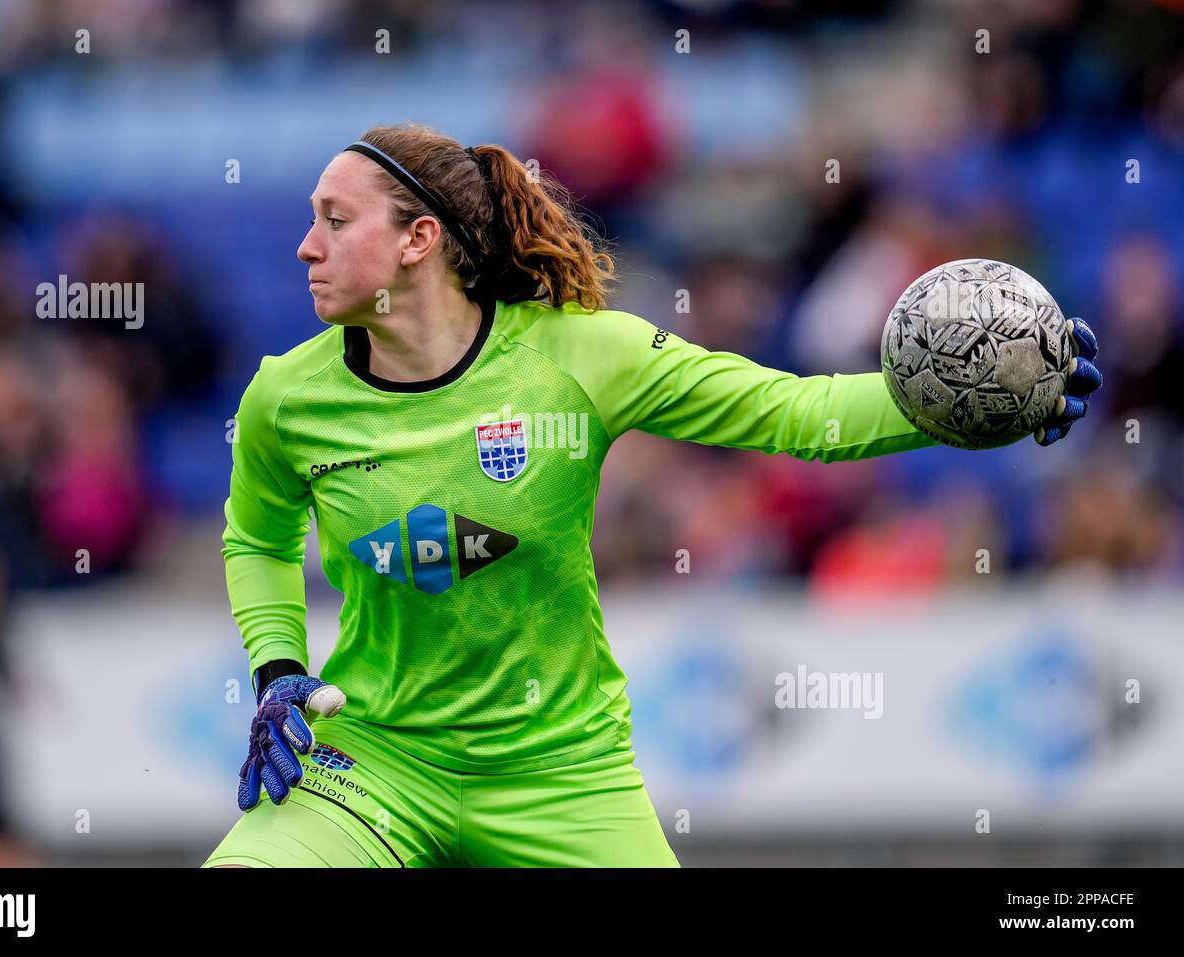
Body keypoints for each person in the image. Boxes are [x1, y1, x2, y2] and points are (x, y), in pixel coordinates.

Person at [203, 122, 1101, 867]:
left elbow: (798, 412)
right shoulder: (286, 396)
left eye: (333, 219)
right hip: (377, 762)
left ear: (418, 241)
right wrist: (278, 668)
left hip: (563, 775)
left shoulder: (585, 357)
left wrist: (974, 404)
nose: (306, 245)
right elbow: (258, 536)